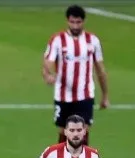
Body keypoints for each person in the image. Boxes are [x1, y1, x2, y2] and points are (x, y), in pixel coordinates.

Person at [42, 5, 109, 145]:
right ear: (67, 21)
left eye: (78, 22)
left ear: (83, 22)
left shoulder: (93, 41)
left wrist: (105, 95)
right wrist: (48, 74)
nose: (75, 25)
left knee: (82, 131)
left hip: (85, 95)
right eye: (72, 22)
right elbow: (48, 61)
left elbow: (100, 70)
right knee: (63, 132)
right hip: (62, 95)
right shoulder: (57, 39)